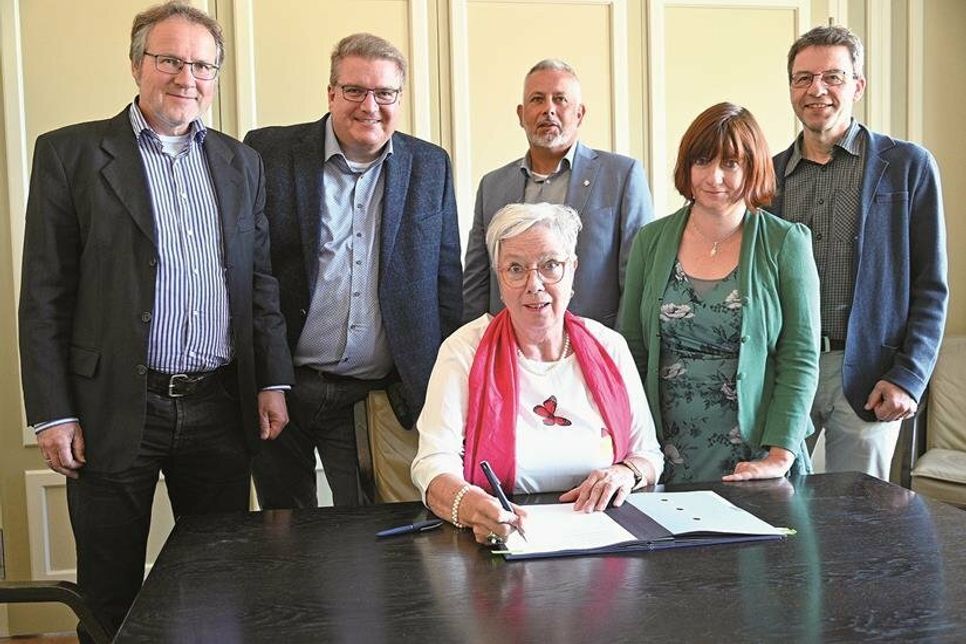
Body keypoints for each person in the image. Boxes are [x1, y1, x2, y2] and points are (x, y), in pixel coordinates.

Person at [17, 2, 294, 639]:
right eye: (169, 59)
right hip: (112, 405)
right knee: (110, 587)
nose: (185, 76)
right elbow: (44, 296)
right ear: (137, 63)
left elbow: (259, 284)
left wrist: (271, 379)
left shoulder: (238, 162)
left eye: (202, 64)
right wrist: (53, 412)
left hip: (219, 406)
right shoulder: (71, 154)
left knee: (219, 576)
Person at [244, 33, 462, 508]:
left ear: (399, 99)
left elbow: (447, 285)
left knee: (374, 540)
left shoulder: (429, 166)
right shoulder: (270, 153)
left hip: (375, 399)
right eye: (355, 91)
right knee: (284, 532)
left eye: (385, 93)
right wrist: (265, 378)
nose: (371, 106)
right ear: (330, 94)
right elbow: (250, 274)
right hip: (283, 390)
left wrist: (443, 389)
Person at [412, 202, 663, 545]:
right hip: (504, 541)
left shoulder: (610, 346)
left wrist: (625, 472)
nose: (534, 284)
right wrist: (473, 507)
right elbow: (431, 464)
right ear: (499, 277)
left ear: (572, 269)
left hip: (605, 539)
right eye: (516, 268)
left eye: (550, 266)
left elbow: (648, 454)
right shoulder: (463, 350)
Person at [771, 25, 948, 479]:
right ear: (791, 88)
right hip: (786, 373)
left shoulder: (908, 165)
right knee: (777, 508)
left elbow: (931, 285)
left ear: (858, 85)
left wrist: (909, 374)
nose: (817, 90)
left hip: (872, 373)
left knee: (860, 522)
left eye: (833, 76)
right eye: (803, 78)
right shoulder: (767, 176)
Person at [619, 102, 820, 484]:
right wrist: (631, 449)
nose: (714, 177)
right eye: (702, 160)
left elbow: (801, 356)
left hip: (756, 449)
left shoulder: (785, 242)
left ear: (753, 167)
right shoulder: (651, 240)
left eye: (730, 163)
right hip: (663, 450)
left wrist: (780, 454)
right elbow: (631, 349)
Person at [462, 59, 652, 329]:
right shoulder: (492, 185)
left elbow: (638, 279)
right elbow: (476, 284)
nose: (548, 109)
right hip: (510, 350)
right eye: (537, 99)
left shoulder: (622, 175)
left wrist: (617, 350)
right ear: (521, 114)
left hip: (593, 343)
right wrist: (477, 348)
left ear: (579, 113)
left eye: (560, 99)